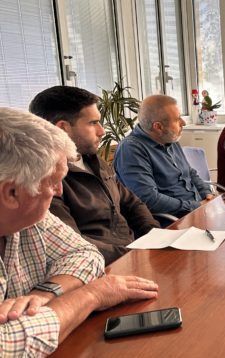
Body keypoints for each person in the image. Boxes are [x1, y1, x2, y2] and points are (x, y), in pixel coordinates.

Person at [0, 108, 158, 358]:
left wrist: (46, 293)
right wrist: (91, 294)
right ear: (12, 192)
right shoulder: (27, 211)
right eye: (53, 183)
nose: (59, 191)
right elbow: (5, 351)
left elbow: (86, 254)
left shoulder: (27, 217)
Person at [29, 86, 159, 265]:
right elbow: (73, 242)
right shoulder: (46, 180)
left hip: (135, 253)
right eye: (93, 123)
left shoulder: (95, 160)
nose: (102, 131)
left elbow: (131, 203)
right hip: (103, 267)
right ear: (63, 128)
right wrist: (132, 255)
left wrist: (154, 235)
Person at [114, 95, 215, 218]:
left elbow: (190, 173)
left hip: (197, 211)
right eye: (178, 119)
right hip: (172, 221)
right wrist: (196, 206)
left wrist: (207, 194)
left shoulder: (169, 138)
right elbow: (149, 200)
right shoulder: (131, 149)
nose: (183, 123)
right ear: (158, 127)